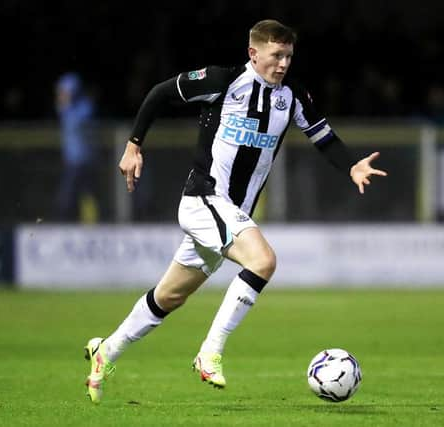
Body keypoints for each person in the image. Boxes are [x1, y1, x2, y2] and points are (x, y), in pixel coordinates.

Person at [83, 19, 387, 403]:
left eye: (289, 56)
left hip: (230, 213)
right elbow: (160, 93)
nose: (283, 64)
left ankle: (105, 351)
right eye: (276, 55)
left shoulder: (292, 94)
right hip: (203, 200)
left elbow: (321, 136)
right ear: (253, 53)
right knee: (263, 261)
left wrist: (351, 166)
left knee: (169, 297)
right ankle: (210, 352)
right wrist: (133, 144)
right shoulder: (222, 82)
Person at [54, 72, 99, 221]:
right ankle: (69, 223)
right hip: (71, 160)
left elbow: (76, 121)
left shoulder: (85, 108)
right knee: (71, 195)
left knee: (83, 194)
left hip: (84, 160)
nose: (62, 94)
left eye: (65, 91)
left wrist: (66, 104)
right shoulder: (68, 108)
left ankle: (90, 225)